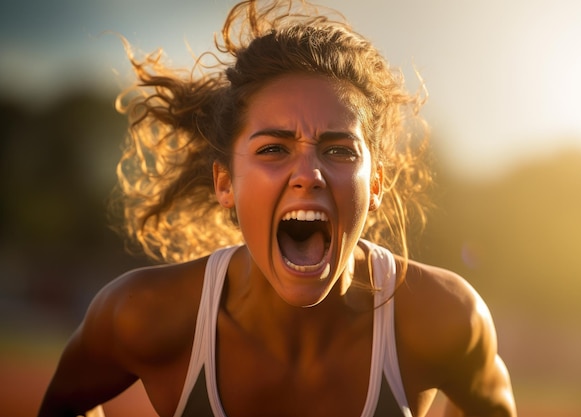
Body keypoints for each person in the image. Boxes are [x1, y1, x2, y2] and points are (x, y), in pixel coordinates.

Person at [38, 1, 516, 416]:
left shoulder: (446, 319)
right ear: (225, 183)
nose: (309, 173)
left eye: (339, 150)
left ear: (376, 186)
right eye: (273, 149)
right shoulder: (143, 315)